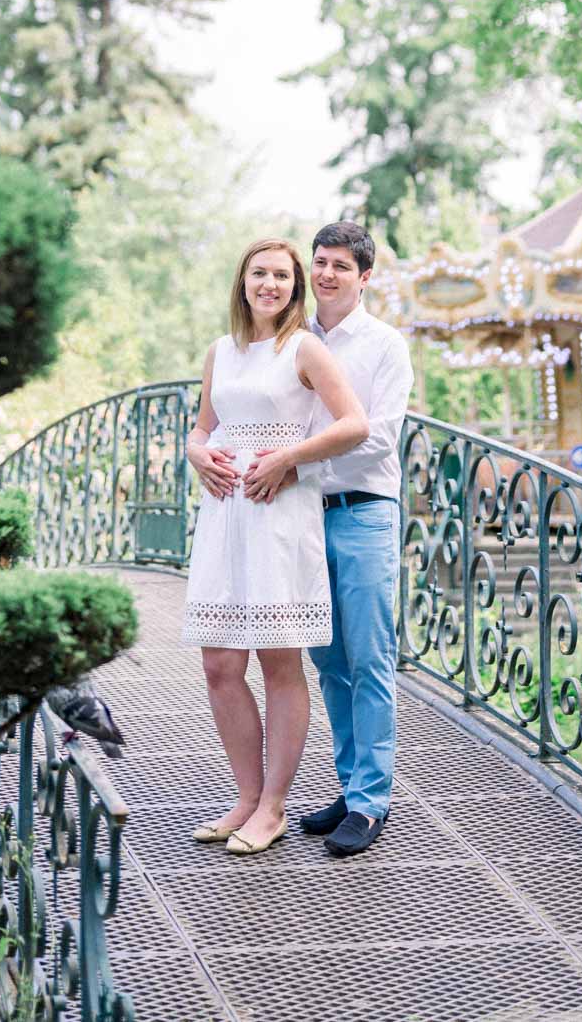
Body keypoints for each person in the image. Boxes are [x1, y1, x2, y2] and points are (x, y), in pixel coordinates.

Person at [181, 236, 368, 857]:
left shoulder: (304, 348)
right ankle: (245, 795)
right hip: (225, 514)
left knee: (277, 662)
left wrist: (289, 456)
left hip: (278, 513)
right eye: (259, 273)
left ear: (295, 287)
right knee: (220, 665)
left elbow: (354, 424)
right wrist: (195, 452)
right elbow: (205, 426)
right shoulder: (221, 352)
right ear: (242, 281)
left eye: (283, 276)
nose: (270, 284)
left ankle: (274, 806)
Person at [245, 221, 412, 859]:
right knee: (327, 659)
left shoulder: (385, 346)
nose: (327, 274)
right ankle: (349, 787)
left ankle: (372, 803)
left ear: (365, 276)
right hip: (302, 515)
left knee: (369, 658)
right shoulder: (292, 341)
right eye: (320, 262)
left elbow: (376, 437)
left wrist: (291, 459)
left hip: (364, 510)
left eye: (342, 265)